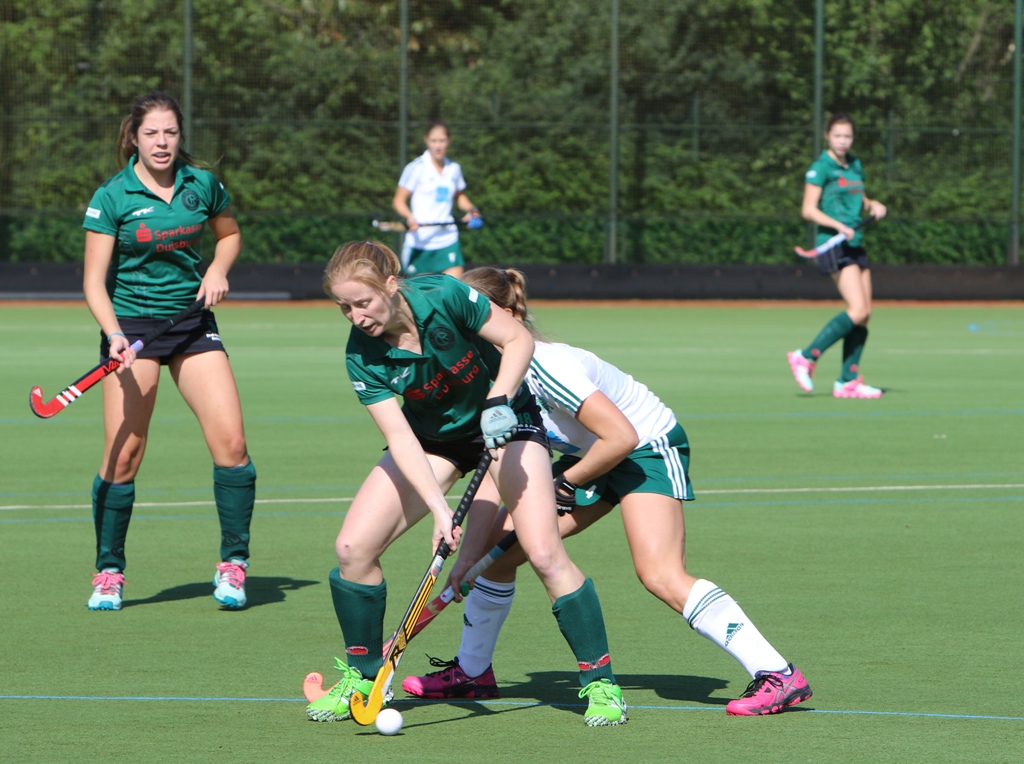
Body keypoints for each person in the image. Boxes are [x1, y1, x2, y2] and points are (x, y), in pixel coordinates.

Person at [402, 267, 812, 717]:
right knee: (497, 554)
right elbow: (493, 470)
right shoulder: (488, 379)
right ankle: (472, 672)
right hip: (591, 453)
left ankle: (778, 674)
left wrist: (567, 482)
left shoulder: (545, 366)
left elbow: (622, 436)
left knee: (659, 573)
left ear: (505, 316)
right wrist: (468, 555)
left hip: (644, 448)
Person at [305, 242, 626, 727]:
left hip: (507, 423)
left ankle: (601, 683)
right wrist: (440, 509)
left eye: (363, 303)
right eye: (344, 308)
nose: (356, 317)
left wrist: (498, 398)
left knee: (543, 552)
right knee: (353, 548)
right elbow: (401, 438)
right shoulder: (361, 355)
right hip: (434, 441)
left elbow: (518, 340)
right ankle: (363, 677)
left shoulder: (444, 294)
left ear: (390, 284)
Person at [81, 92, 256, 612]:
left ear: (181, 136)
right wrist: (113, 334)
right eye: (152, 133)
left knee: (232, 445)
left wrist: (217, 269)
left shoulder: (201, 185)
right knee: (124, 456)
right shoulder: (113, 196)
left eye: (171, 132)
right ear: (134, 137)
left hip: (191, 324)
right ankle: (109, 571)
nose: (162, 142)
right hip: (131, 330)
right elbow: (93, 282)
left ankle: (233, 564)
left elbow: (229, 235)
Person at [788, 112, 888, 399]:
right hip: (833, 243)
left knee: (865, 315)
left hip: (855, 243)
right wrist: (838, 226)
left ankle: (847, 381)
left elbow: (858, 197)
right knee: (857, 309)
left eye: (847, 136)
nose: (843, 141)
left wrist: (873, 204)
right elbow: (808, 209)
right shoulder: (821, 168)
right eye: (837, 136)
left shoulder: (855, 165)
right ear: (827, 136)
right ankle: (806, 356)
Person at [392, 119, 481, 278]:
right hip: (421, 242)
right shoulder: (416, 167)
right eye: (433, 141)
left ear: (449, 141)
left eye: (442, 140)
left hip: (448, 239)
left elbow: (459, 196)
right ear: (426, 140)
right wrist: (409, 217)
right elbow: (398, 201)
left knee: (454, 287)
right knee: (421, 292)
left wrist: (472, 210)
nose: (438, 146)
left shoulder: (454, 169)